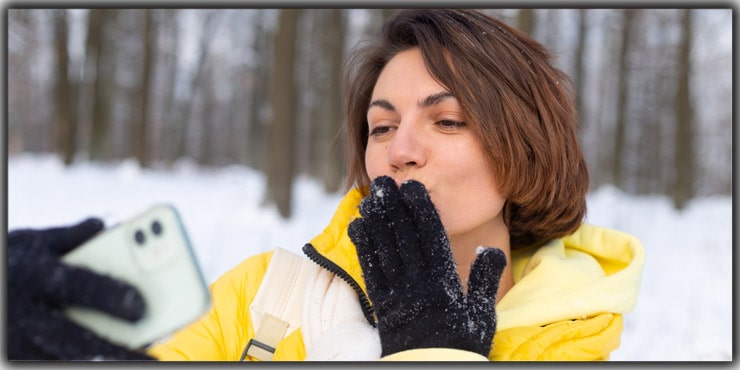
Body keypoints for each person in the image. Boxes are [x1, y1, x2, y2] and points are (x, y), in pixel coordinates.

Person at [8, 9, 645, 361]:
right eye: (380, 126)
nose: (400, 151)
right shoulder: (263, 297)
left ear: (526, 147)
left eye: (447, 120)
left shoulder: (573, 342)